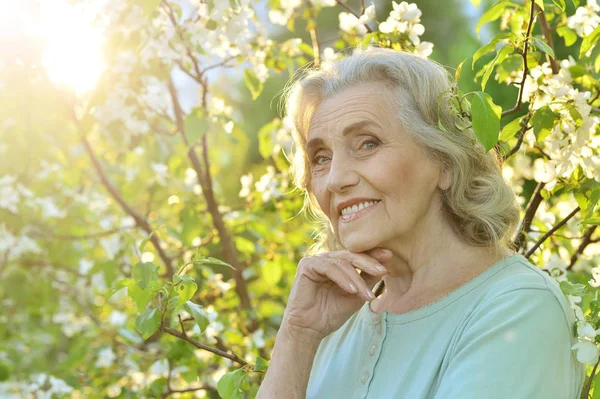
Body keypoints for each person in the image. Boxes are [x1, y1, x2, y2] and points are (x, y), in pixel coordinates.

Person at [255, 47, 585, 399]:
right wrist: (298, 334)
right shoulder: (331, 326)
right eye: (321, 158)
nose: (335, 179)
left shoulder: (517, 308)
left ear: (444, 161)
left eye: (367, 144)